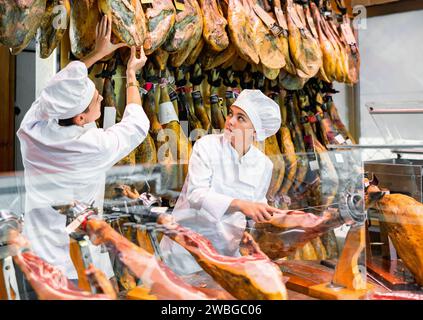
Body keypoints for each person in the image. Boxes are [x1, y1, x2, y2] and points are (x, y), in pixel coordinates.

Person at [16, 15, 149, 286]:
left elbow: (53, 93)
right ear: (80, 119)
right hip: (72, 264)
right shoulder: (90, 147)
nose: (100, 96)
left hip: (35, 255)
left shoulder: (32, 127)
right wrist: (132, 74)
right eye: (94, 100)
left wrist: (95, 54)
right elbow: (136, 125)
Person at [160, 89, 287, 275]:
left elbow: (257, 205)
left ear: (255, 131)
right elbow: (196, 195)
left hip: (228, 254)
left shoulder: (264, 164)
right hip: (186, 254)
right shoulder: (207, 146)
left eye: (241, 118)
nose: (231, 121)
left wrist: (278, 220)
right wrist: (241, 205)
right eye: (231, 113)